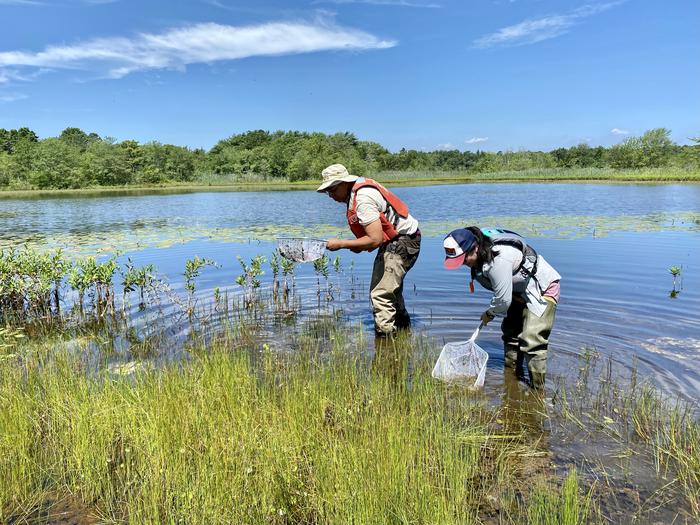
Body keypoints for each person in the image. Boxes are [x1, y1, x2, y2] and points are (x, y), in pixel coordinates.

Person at [443, 227, 561, 390]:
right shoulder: (479, 253)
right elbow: (504, 295)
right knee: (511, 334)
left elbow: (503, 301)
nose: (463, 264)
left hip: (541, 289)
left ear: (475, 247)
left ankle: (537, 391)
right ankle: (512, 377)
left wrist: (489, 313)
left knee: (532, 339)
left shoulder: (497, 260)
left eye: (464, 259)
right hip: (517, 292)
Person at [318, 164, 421, 335]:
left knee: (381, 295)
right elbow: (376, 238)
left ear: (344, 183)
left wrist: (341, 244)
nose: (330, 195)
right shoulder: (358, 190)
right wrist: (359, 245)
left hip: (402, 242)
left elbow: (375, 239)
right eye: (328, 191)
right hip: (400, 241)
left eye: (332, 190)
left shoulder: (363, 199)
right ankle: (404, 333)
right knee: (390, 292)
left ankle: (386, 345)